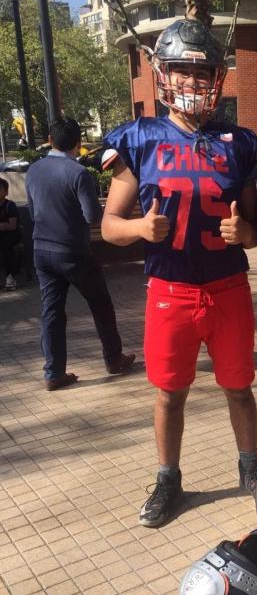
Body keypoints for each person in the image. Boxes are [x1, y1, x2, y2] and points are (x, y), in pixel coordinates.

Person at [101, 19, 257, 528]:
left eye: (202, 73)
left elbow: (255, 230)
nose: (192, 82)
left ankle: (250, 468)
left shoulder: (239, 142)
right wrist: (140, 228)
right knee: (170, 393)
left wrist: (247, 232)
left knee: (239, 387)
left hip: (228, 286)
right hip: (170, 289)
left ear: (216, 78)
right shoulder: (141, 138)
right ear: (164, 75)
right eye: (182, 72)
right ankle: (168, 478)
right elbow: (108, 226)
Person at [25, 117, 135, 392]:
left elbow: (32, 211)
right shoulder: (78, 173)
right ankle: (114, 359)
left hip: (42, 250)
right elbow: (92, 216)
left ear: (50, 140)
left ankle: (53, 372)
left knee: (51, 311)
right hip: (73, 252)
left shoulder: (34, 170)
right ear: (78, 143)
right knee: (100, 304)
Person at [0, 178, 20, 291]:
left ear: (6, 192)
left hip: (11, 236)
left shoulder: (10, 205)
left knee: (6, 246)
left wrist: (3, 226)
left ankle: (10, 277)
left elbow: (12, 225)